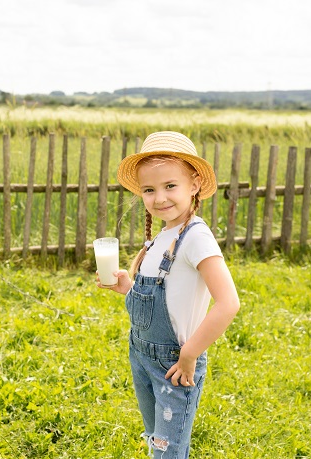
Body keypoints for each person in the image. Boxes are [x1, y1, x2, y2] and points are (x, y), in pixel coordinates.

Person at [96, 131, 240, 458]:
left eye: (170, 186)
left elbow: (229, 303)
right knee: (155, 439)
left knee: (168, 451)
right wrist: (127, 287)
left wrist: (189, 354)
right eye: (149, 190)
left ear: (195, 184)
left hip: (175, 364)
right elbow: (167, 293)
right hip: (142, 356)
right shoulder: (162, 235)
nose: (159, 198)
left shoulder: (196, 237)